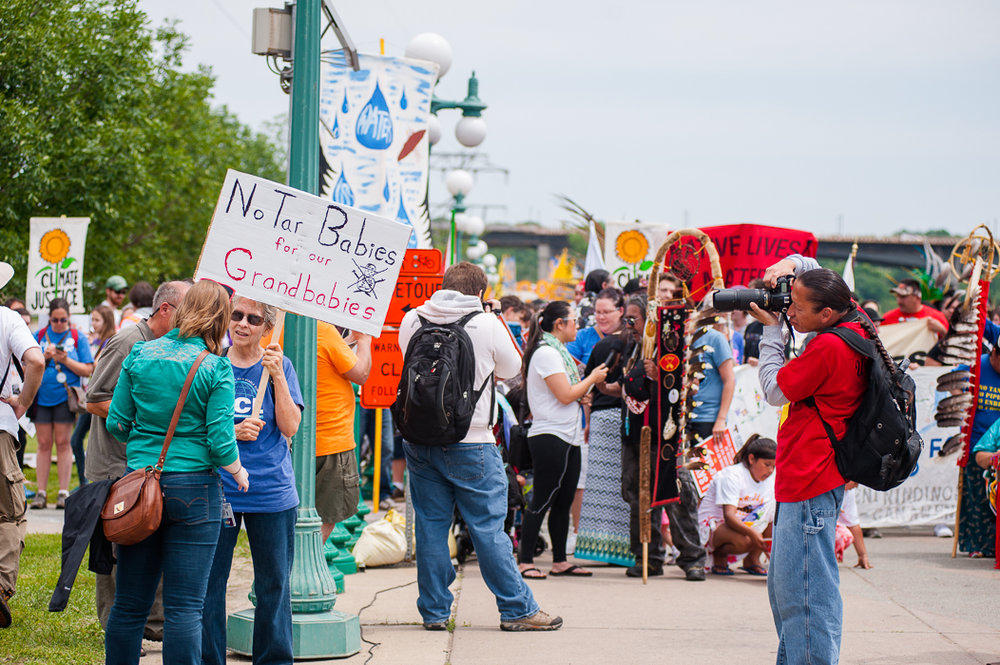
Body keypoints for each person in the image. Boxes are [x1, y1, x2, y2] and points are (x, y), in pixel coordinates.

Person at [400, 261, 563, 632]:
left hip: (420, 441)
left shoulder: (413, 319)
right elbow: (511, 368)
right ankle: (517, 608)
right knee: (488, 530)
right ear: (481, 293)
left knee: (430, 526)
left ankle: (434, 612)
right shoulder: (487, 324)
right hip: (472, 442)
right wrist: (491, 317)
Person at [103, 279, 249, 665]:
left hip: (139, 487)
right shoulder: (216, 367)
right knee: (185, 610)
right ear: (220, 319)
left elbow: (116, 423)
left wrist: (146, 439)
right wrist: (238, 472)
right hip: (195, 489)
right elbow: (220, 441)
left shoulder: (140, 354)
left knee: (130, 605)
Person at [752, 254, 872, 665]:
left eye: (797, 308)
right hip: (814, 478)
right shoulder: (855, 324)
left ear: (825, 313)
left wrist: (771, 332)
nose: (789, 312)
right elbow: (821, 277)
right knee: (794, 592)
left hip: (810, 480)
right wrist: (792, 264)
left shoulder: (827, 347)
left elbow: (773, 390)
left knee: (804, 596)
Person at [202, 297, 302, 665]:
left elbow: (291, 426)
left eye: (253, 319)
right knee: (210, 584)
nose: (243, 323)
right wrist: (233, 430)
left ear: (267, 327)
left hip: (271, 491)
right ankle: (209, 658)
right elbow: (197, 428)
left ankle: (273, 659)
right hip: (219, 489)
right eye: (237, 315)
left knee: (274, 585)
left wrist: (276, 377)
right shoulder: (212, 366)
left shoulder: (281, 366)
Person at [86, 280, 189, 634]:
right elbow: (95, 397)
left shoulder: (166, 346)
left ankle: (154, 622)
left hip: (144, 464)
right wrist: (141, 425)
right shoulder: (129, 341)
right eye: (186, 311)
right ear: (164, 310)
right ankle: (114, 624)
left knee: (148, 533)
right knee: (117, 543)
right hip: (113, 465)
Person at [517, 300, 608, 580]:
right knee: (543, 498)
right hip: (550, 435)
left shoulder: (559, 352)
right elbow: (565, 394)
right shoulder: (546, 353)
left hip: (568, 435)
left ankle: (559, 560)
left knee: (564, 500)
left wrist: (582, 391)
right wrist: (591, 378)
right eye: (574, 320)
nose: (577, 326)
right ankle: (525, 560)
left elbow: (570, 393)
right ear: (560, 324)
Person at [0, 261, 45, 628]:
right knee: (9, 514)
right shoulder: (7, 319)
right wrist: (23, 403)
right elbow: (35, 359)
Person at [573, 296, 633, 567]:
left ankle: (600, 547)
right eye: (598, 312)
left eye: (606, 312)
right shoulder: (633, 346)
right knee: (622, 485)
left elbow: (592, 386)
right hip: (619, 417)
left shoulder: (605, 345)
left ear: (621, 312)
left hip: (602, 418)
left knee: (600, 487)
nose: (600, 317)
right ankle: (625, 549)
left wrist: (588, 421)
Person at [30, 297, 94, 509]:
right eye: (55, 320)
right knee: (44, 444)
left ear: (69, 318)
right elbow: (27, 366)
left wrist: (65, 359)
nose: (58, 324)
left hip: (66, 397)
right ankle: (40, 492)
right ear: (49, 318)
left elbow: (88, 369)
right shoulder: (38, 335)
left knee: (63, 443)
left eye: (63, 320)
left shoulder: (77, 337)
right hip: (41, 396)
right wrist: (46, 358)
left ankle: (63, 492)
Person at [619, 295, 666, 577]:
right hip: (633, 433)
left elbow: (682, 390)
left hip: (660, 435)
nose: (628, 325)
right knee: (635, 494)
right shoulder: (632, 348)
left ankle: (686, 557)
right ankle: (644, 556)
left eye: (632, 319)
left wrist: (659, 376)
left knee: (662, 495)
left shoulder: (667, 349)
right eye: (626, 319)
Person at [315, 323, 370, 542]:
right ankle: (298, 568)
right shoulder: (323, 330)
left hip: (290, 439)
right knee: (327, 515)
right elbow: (361, 373)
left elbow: (323, 354)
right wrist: (364, 340)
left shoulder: (273, 328)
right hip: (330, 439)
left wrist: (346, 342)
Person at [698, 434, 776, 576]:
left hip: (746, 523)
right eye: (767, 465)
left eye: (773, 466)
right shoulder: (732, 475)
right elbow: (729, 516)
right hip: (717, 525)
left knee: (776, 517)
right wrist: (753, 533)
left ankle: (752, 560)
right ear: (752, 459)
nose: (770, 471)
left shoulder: (769, 481)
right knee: (746, 540)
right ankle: (718, 556)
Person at [67, 304, 117, 486]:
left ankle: (85, 483)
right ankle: (84, 483)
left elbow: (96, 366)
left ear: (107, 321)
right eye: (92, 320)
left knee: (77, 439)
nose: (94, 324)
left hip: (98, 399)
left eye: (97, 320)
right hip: (92, 397)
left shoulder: (111, 341)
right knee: (79, 440)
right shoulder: (98, 341)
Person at [882, 278, 948, 338]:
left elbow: (951, 344)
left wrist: (942, 331)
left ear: (917, 297)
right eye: (897, 296)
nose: (899, 301)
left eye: (903, 296)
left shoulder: (937, 317)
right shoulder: (887, 318)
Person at [835, 482, 872, 569]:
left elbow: (853, 524)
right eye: (855, 481)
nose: (856, 485)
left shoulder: (848, 492)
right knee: (840, 534)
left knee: (845, 536)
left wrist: (862, 555)